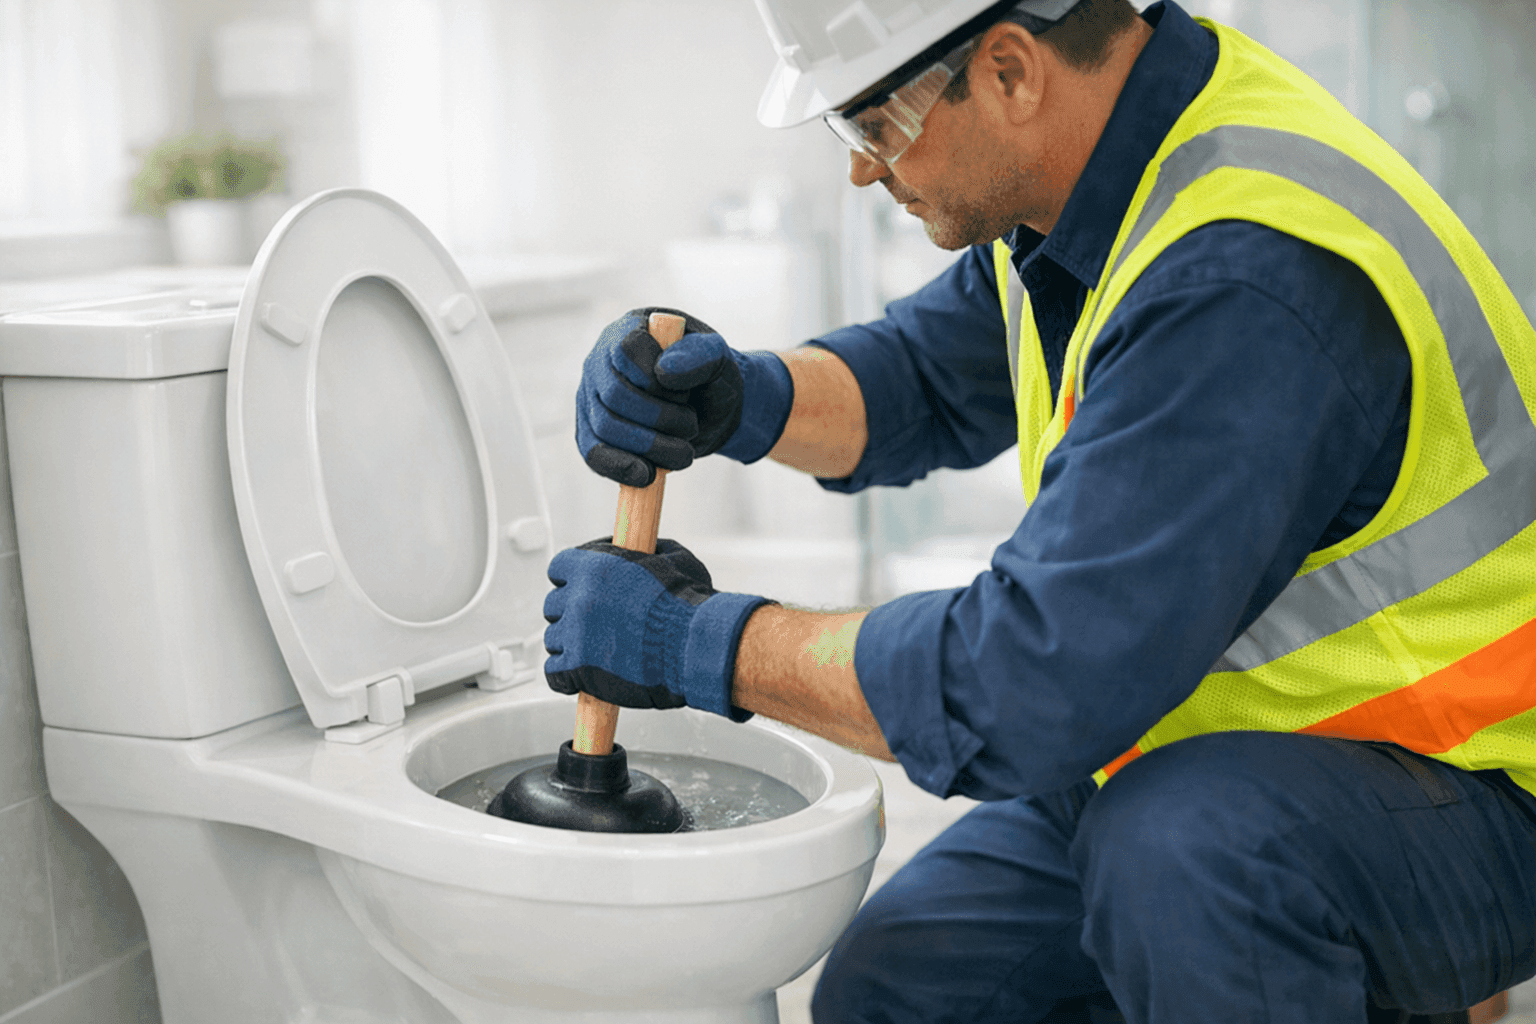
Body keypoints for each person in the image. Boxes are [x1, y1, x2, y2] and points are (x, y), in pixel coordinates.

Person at [542, 0, 1536, 1019]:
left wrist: (696, 641)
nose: (859, 169)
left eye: (870, 125)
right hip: (1201, 731)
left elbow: (1028, 681)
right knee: (904, 983)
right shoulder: (1091, 178)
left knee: (1180, 857)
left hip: (1471, 777)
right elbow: (926, 377)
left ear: (1011, 72)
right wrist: (744, 397)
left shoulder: (1244, 277)